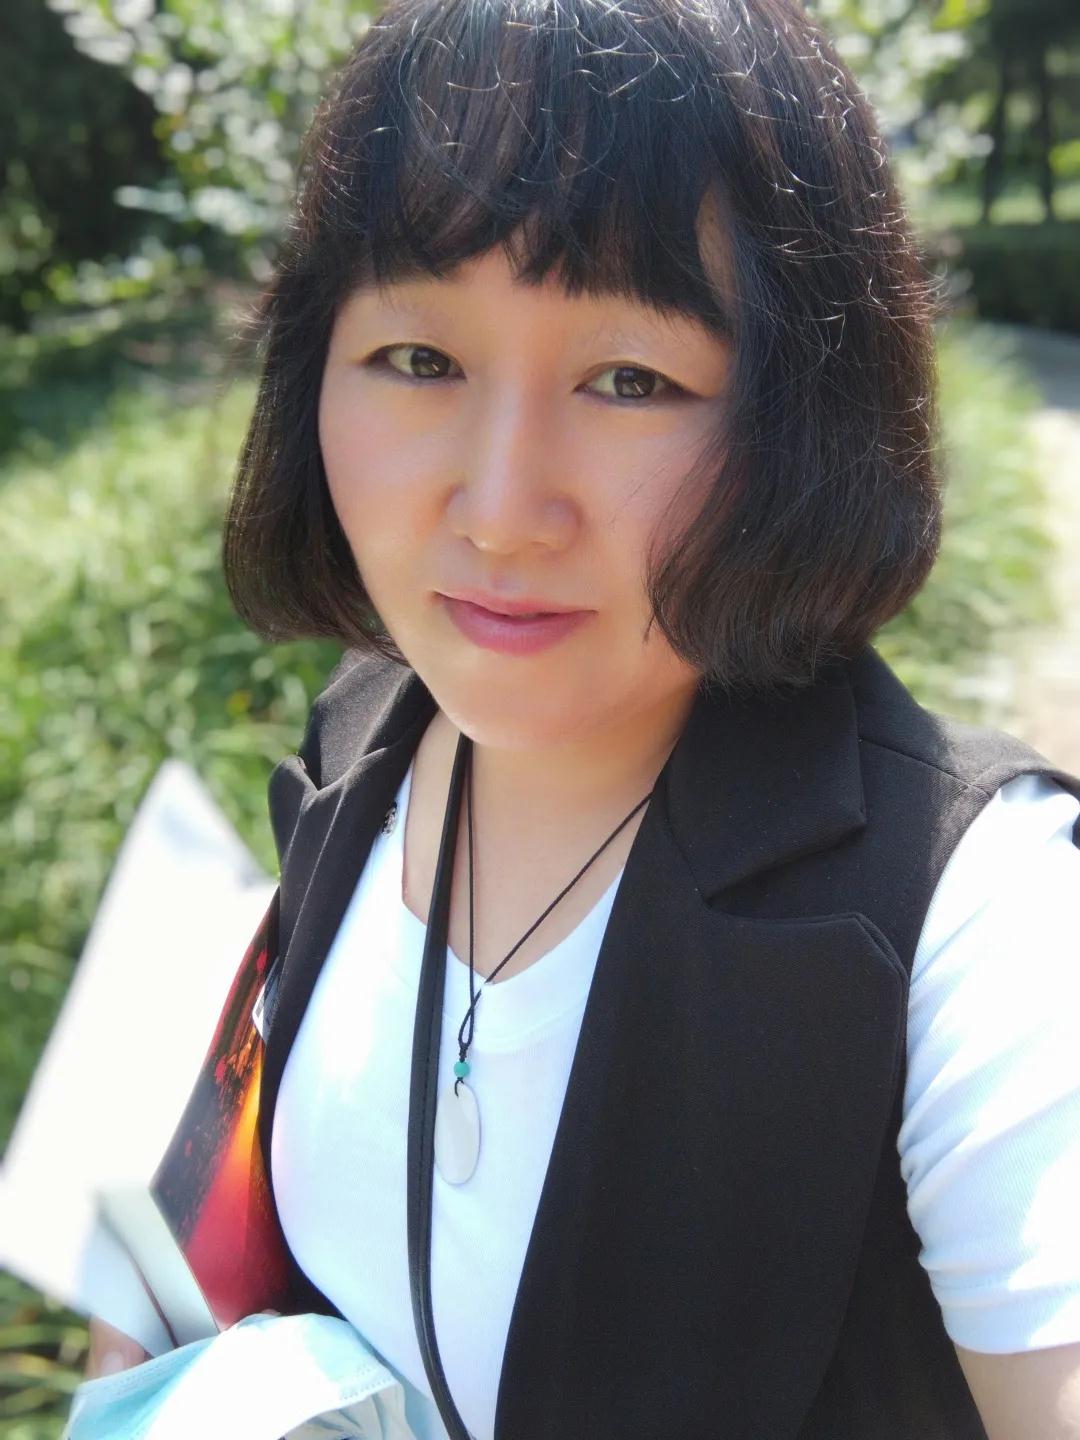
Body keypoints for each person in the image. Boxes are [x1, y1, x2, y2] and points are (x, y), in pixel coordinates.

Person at [86, 0, 1080, 1434]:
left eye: (631, 380)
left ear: (799, 421)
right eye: (420, 360)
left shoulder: (973, 920)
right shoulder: (363, 738)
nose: (500, 512)